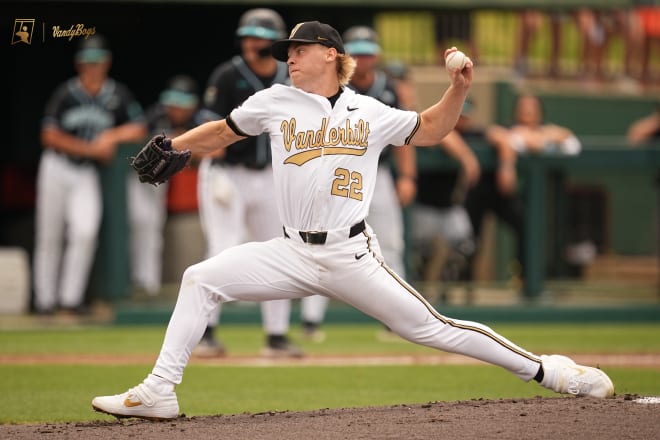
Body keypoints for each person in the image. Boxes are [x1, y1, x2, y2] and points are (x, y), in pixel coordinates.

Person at [91, 21, 614, 420]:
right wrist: (175, 146)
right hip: (291, 251)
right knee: (200, 278)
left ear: (329, 54)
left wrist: (457, 89)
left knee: (434, 329)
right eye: (286, 52)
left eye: (297, 50)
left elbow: (430, 130)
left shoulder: (368, 111)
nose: (289, 58)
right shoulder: (274, 100)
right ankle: (160, 390)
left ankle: (551, 371)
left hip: (351, 255)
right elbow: (225, 131)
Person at [298, 25, 419, 341]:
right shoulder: (329, 86)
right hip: (336, 173)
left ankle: (397, 318)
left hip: (378, 174)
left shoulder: (388, 88)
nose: (363, 59)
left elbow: (406, 135)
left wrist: (407, 176)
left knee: (390, 244)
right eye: (358, 53)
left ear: (376, 56)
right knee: (320, 242)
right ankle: (311, 320)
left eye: (368, 53)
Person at [194, 8, 303, 357]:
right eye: (247, 36)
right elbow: (211, 126)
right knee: (222, 247)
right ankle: (206, 333)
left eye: (258, 37)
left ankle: (276, 336)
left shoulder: (292, 76)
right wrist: (215, 168)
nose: (250, 43)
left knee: (282, 250)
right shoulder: (228, 75)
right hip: (229, 173)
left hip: (272, 176)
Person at [34, 34, 147, 315]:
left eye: (97, 62)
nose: (92, 67)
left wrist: (111, 135)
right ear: (79, 64)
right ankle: (44, 301)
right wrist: (91, 149)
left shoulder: (116, 94)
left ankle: (70, 299)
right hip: (57, 167)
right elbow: (49, 135)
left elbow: (139, 127)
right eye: (87, 62)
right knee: (50, 235)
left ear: (106, 63)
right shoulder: (66, 93)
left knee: (84, 231)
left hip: (85, 173)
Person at [465, 93, 581, 289]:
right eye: (523, 107)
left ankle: (524, 278)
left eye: (532, 108)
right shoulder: (507, 128)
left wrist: (542, 137)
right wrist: (508, 163)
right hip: (484, 189)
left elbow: (572, 144)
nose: (527, 112)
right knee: (470, 239)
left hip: (507, 195)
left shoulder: (547, 130)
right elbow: (504, 137)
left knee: (527, 226)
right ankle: (465, 284)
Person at [127, 75, 201, 296]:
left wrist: (182, 142)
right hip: (147, 182)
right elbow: (133, 133)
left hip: (173, 185)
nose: (175, 109)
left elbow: (212, 147)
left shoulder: (198, 121)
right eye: (173, 103)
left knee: (152, 231)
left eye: (181, 104)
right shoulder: (156, 116)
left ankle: (148, 284)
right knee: (142, 226)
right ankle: (142, 284)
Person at [409, 98, 481, 296]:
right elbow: (443, 135)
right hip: (425, 206)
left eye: (465, 116)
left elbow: (499, 135)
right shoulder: (435, 127)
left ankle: (447, 287)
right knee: (419, 253)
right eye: (458, 115)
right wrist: (467, 157)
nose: (461, 120)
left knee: (465, 246)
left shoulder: (473, 134)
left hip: (451, 207)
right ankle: (418, 292)